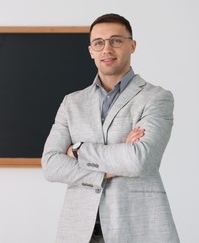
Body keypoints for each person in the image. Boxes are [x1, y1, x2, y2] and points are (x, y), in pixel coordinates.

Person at [41, 13, 180, 243]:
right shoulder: (72, 103)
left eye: (116, 40)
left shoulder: (156, 98)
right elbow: (51, 165)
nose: (107, 49)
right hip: (79, 232)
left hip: (137, 228)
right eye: (99, 43)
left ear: (132, 45)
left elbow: (140, 160)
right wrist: (112, 166)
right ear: (91, 51)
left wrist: (77, 150)